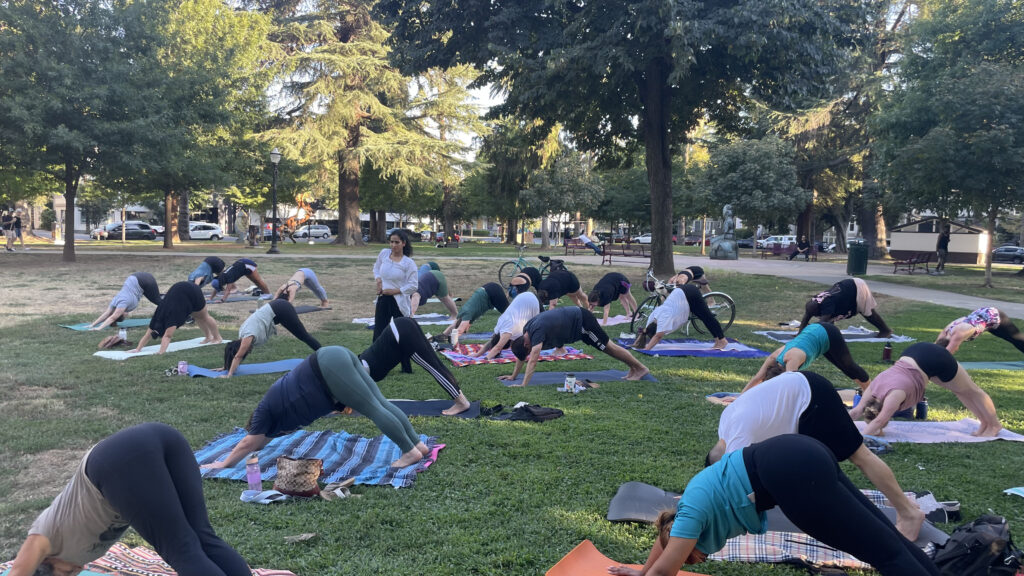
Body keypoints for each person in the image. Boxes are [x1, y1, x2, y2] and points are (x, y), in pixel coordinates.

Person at [606, 435, 939, 576]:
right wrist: (640, 571)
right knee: (885, 537)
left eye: (688, 557)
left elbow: (665, 568)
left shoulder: (690, 516)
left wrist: (653, 572)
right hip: (800, 451)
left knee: (881, 552)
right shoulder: (685, 509)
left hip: (790, 472)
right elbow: (661, 550)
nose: (692, 561)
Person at [8, 422, 251, 576]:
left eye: (66, 573)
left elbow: (18, 571)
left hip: (118, 460)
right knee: (201, 537)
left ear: (46, 560)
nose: (77, 570)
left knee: (182, 549)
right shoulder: (69, 553)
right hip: (157, 438)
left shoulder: (43, 539)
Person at [708, 371, 925, 541]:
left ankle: (908, 513)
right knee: (811, 472)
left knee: (860, 456)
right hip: (802, 393)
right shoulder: (726, 425)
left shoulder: (737, 442)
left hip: (810, 397)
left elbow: (738, 490)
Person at [200, 346, 431, 470]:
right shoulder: (277, 423)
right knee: (380, 402)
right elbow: (258, 444)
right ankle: (417, 445)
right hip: (333, 358)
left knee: (373, 407)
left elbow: (249, 443)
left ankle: (409, 452)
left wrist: (225, 463)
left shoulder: (264, 414)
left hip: (328, 368)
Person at [850, 342, 1002, 437]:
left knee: (971, 390)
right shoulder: (872, 392)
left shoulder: (893, 396)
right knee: (960, 391)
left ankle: (994, 424)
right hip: (915, 353)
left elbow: (880, 420)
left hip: (936, 358)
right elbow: (856, 411)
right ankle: (984, 422)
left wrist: (860, 439)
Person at [501, 307, 649, 386]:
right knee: (608, 349)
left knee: (609, 347)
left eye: (528, 350)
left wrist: (523, 384)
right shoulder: (526, 331)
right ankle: (633, 367)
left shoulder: (536, 333)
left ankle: (641, 368)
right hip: (578, 321)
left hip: (583, 322)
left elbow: (533, 359)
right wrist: (514, 377)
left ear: (527, 344)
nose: (530, 351)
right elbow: (523, 355)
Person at [360, 317, 472, 415]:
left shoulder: (358, 371)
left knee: (434, 367)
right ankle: (461, 400)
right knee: (436, 365)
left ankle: (462, 402)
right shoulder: (359, 365)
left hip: (401, 333)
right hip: (403, 325)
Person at [745, 322, 870, 391]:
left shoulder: (791, 360)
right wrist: (740, 398)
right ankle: (865, 391)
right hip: (815, 333)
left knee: (849, 366)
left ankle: (871, 392)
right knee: (844, 367)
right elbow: (757, 378)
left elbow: (791, 388)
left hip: (828, 333)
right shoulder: (773, 358)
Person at [218, 299, 323, 377]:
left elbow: (238, 356)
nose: (249, 351)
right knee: (303, 336)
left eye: (247, 351)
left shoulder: (247, 336)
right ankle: (323, 352)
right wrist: (225, 366)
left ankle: (324, 354)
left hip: (281, 309)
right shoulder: (241, 336)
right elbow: (233, 353)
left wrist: (229, 375)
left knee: (304, 336)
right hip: (276, 310)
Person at [131, 281, 222, 354]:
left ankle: (217, 338)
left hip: (192, 291)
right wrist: (138, 349)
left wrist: (161, 352)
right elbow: (148, 334)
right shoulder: (156, 318)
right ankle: (208, 337)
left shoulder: (171, 319)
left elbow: (167, 336)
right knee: (197, 317)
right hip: (180, 291)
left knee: (204, 316)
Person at [632, 283, 727, 351]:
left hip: (689, 294)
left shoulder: (664, 319)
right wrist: (635, 344)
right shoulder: (652, 320)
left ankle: (722, 340)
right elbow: (644, 332)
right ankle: (717, 340)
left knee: (707, 317)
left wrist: (647, 349)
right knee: (705, 318)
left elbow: (658, 336)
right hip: (683, 293)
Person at [373, 229, 418, 372]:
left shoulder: (408, 263)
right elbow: (376, 268)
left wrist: (395, 291)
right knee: (379, 333)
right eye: (391, 242)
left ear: (403, 243)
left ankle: (406, 366)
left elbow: (413, 285)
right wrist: (378, 280)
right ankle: (376, 364)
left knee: (401, 334)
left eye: (397, 242)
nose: (393, 245)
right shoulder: (384, 254)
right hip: (383, 300)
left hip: (399, 302)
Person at [798, 278, 892, 338]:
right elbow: (807, 317)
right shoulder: (815, 301)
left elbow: (821, 324)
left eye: (814, 314)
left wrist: (808, 337)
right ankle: (832, 335)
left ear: (818, 308)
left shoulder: (827, 303)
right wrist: (800, 333)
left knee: (867, 312)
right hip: (847, 286)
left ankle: (885, 330)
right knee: (830, 319)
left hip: (857, 287)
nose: (813, 315)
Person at [472, 291, 542, 360]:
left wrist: (486, 358)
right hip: (523, 296)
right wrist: (478, 354)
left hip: (531, 301)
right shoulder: (500, 327)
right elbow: (492, 342)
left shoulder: (507, 331)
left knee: (534, 328)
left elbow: (498, 347)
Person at [87, 272, 163, 330]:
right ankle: (168, 295)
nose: (127, 315)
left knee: (157, 301)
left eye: (124, 316)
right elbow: (107, 314)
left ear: (121, 313)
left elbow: (112, 317)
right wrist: (92, 325)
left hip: (143, 280)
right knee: (155, 297)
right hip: (135, 277)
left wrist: (99, 328)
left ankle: (170, 300)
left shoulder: (122, 304)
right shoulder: (115, 301)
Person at [935, 306, 1024, 356]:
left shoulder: (958, 335)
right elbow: (933, 348)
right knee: (1014, 340)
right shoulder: (945, 332)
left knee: (1016, 338)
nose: (957, 349)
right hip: (984, 316)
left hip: (993, 316)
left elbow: (946, 356)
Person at [441, 281, 509, 339]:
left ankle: (515, 334)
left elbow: (459, 331)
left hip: (492, 292)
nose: (467, 330)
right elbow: (453, 326)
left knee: (510, 314)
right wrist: (442, 336)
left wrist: (453, 343)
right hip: (488, 289)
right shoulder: (461, 314)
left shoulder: (467, 315)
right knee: (508, 311)